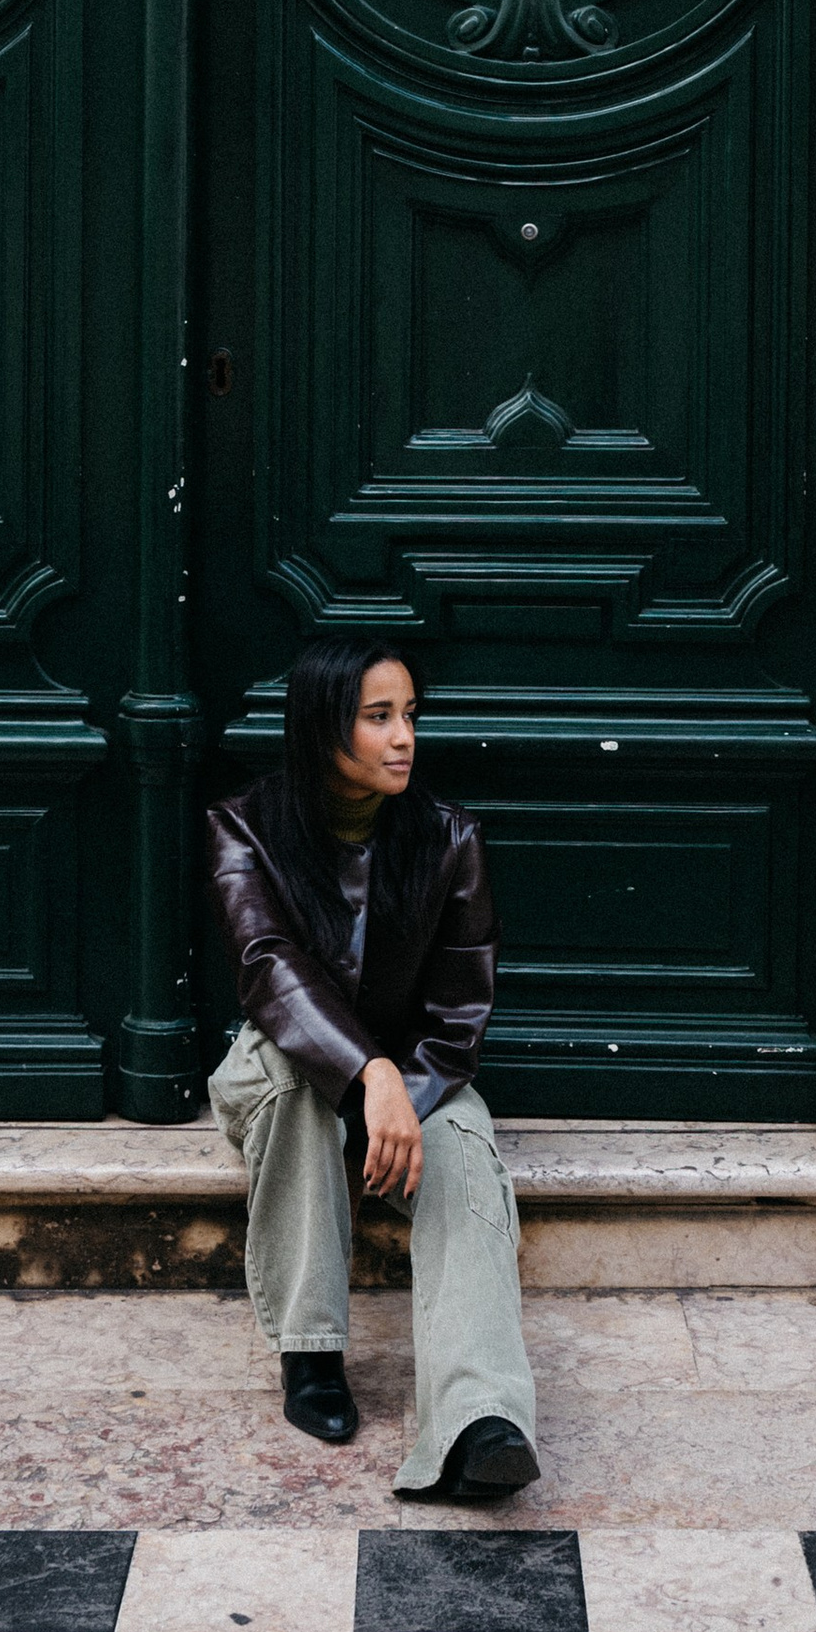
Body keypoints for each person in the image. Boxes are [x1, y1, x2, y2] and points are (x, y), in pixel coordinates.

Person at [205, 636, 541, 1501]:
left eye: (410, 717)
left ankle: (481, 1419)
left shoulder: (447, 837)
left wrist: (404, 1087)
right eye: (379, 717)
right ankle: (310, 1352)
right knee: (296, 1091)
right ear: (325, 729)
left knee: (466, 1154)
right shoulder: (243, 826)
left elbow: (461, 1007)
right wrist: (369, 1076)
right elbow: (269, 969)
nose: (404, 738)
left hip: (423, 1069)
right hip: (283, 1061)